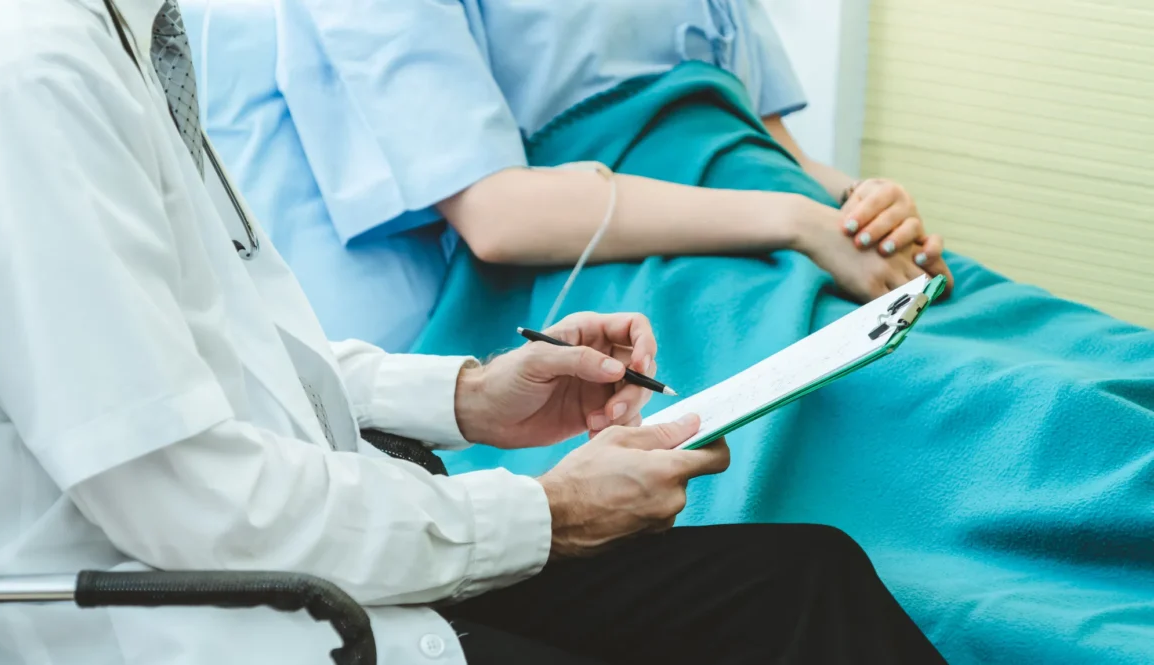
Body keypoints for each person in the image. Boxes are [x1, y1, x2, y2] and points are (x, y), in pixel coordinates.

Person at [0, 1, 951, 664]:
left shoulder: (134, 35)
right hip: (204, 612)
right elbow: (187, 497)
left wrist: (469, 395)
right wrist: (548, 514)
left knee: (805, 576)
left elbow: (231, 344)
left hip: (303, 544)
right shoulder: (39, 76)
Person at [243, 2, 1154, 662]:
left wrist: (855, 202)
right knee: (994, 408)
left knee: (1088, 365)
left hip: (792, 225)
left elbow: (771, 145)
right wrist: (790, 222)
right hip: (632, 264)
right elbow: (497, 213)